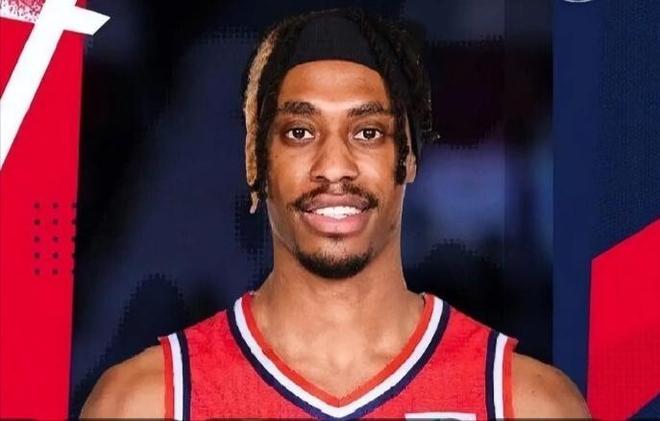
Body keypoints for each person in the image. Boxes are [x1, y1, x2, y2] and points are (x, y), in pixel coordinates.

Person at [81, 8, 590, 419]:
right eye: (300, 133)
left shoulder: (528, 404)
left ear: (409, 158)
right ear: (256, 161)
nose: (333, 167)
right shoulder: (146, 403)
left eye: (367, 132)